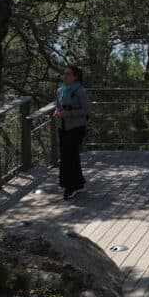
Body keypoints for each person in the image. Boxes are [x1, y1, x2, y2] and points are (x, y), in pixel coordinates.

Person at [54, 65, 91, 200]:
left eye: (68, 74)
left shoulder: (80, 91)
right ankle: (74, 183)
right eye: (64, 74)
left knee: (70, 155)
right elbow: (58, 105)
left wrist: (70, 114)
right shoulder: (60, 91)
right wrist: (58, 112)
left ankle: (71, 187)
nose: (65, 76)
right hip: (62, 127)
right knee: (66, 156)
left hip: (76, 128)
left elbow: (86, 110)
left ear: (75, 77)